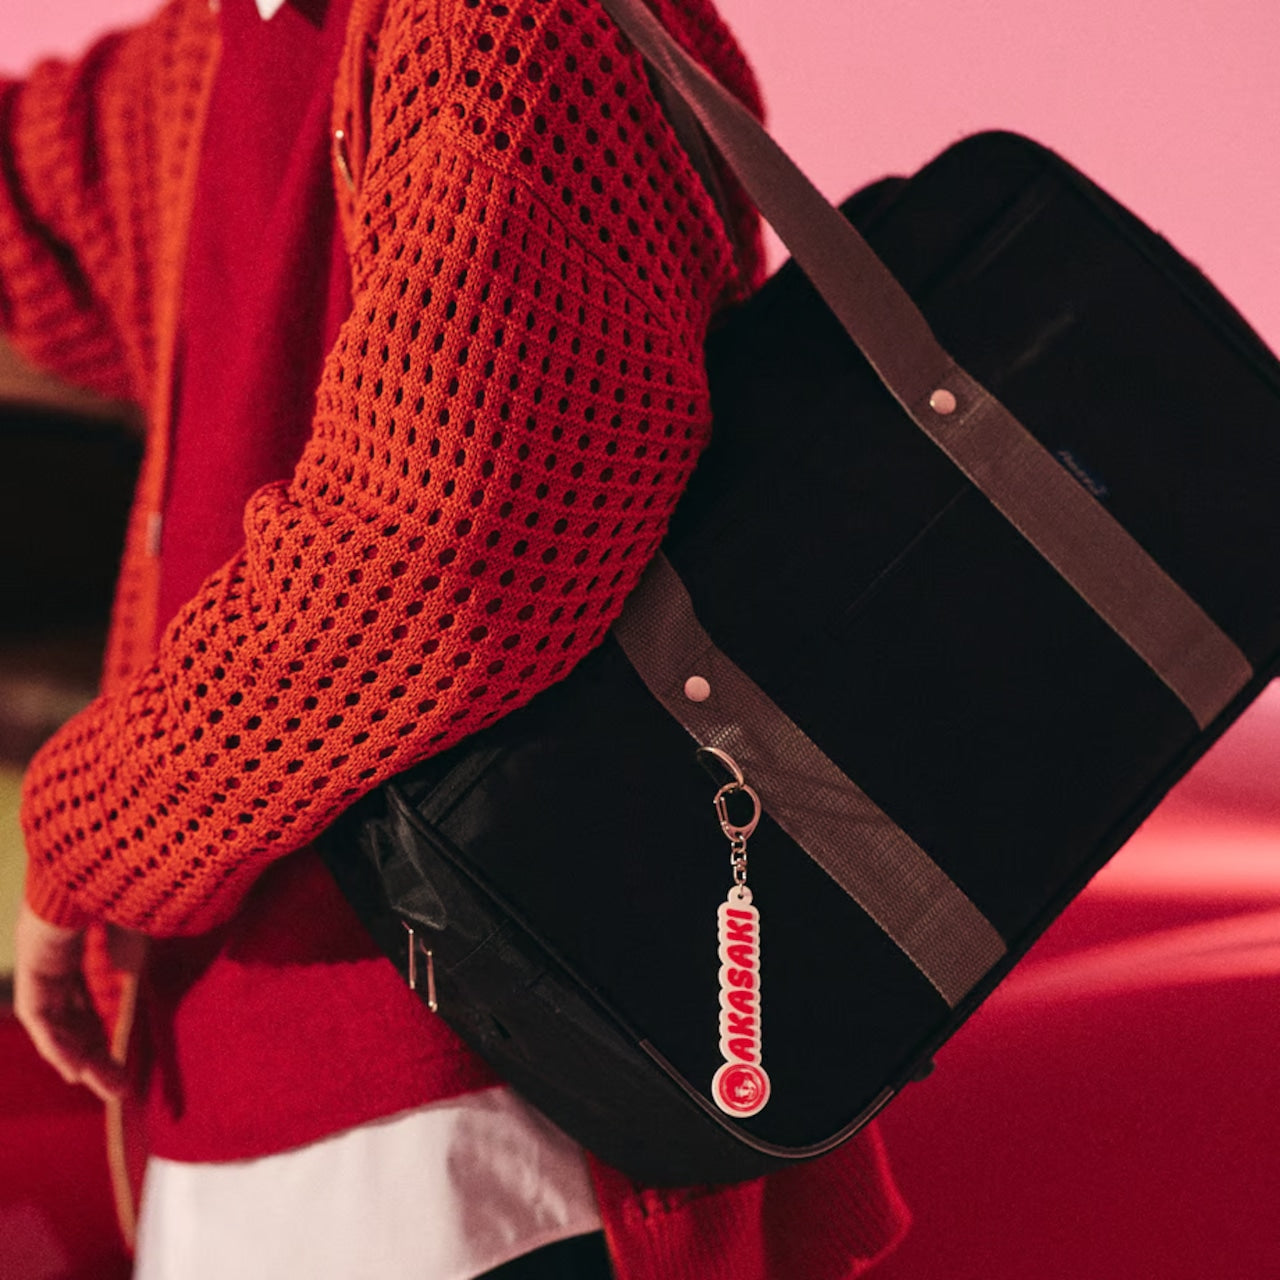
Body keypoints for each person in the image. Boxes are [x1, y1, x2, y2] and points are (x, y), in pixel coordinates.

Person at [5, 0, 910, 1275]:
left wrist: (86, 825)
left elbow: (438, 553)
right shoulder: (207, 53)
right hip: (239, 1125)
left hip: (497, 1124)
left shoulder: (505, 29)